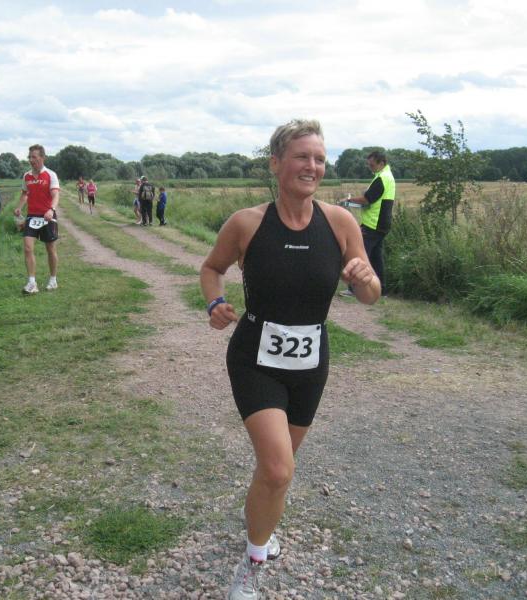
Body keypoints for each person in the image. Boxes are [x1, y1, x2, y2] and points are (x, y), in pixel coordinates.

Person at [200, 119, 380, 600]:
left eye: (319, 158)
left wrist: (364, 278)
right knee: (279, 469)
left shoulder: (340, 223)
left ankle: (259, 523)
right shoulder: (247, 223)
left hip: (310, 363)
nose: (312, 166)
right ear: (276, 163)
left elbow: (371, 295)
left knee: (276, 469)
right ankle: (251, 566)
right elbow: (212, 268)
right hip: (255, 358)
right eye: (302, 156)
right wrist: (215, 302)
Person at [340, 150, 396, 296]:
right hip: (382, 224)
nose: (370, 168)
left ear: (381, 163)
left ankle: (353, 289)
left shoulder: (382, 178)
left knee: (358, 255)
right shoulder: (387, 176)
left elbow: (367, 199)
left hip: (373, 224)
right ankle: (382, 290)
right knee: (376, 258)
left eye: (372, 165)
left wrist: (349, 200)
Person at [14, 144, 60, 294]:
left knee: (50, 248)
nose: (31, 160)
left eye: (34, 157)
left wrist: (51, 210)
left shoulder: (50, 175)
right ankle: (32, 283)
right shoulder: (26, 176)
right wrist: (19, 207)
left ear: (42, 158)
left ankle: (53, 279)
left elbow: (55, 195)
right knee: (28, 248)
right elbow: (24, 194)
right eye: (29, 157)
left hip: (47, 216)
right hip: (32, 216)